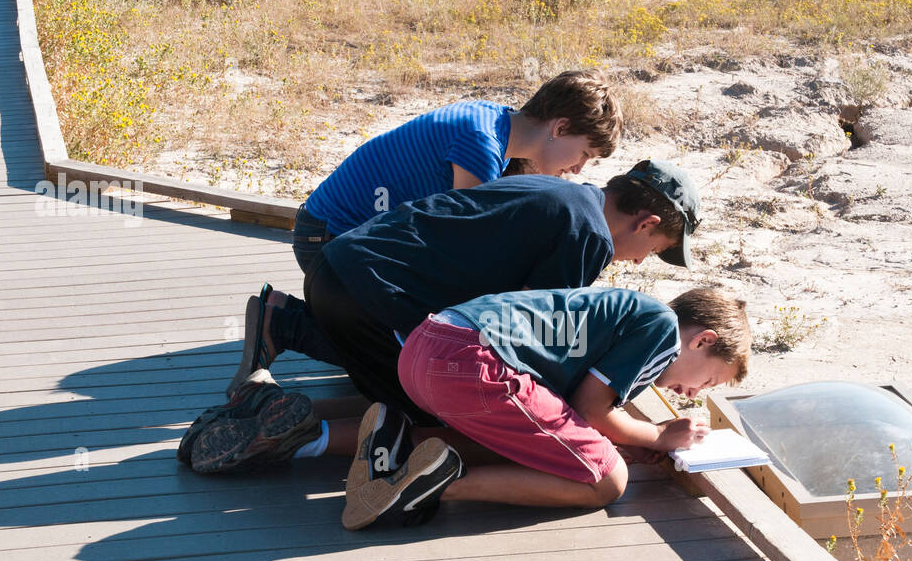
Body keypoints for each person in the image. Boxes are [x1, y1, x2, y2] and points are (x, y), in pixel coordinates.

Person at [182, 160, 704, 477]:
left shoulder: (563, 193)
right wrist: (610, 430)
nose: (638, 261)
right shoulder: (586, 238)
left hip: (341, 268)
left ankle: (266, 394)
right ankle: (294, 438)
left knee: (408, 381)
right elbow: (531, 340)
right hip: (374, 293)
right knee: (447, 411)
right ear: (646, 221)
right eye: (653, 249)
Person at [227, 70, 622, 396]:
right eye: (584, 153)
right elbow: (468, 250)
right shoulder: (481, 148)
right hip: (329, 239)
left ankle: (294, 318)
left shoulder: (492, 119)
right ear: (561, 126)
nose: (579, 170)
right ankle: (282, 322)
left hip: (329, 231)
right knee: (419, 355)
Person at [340, 286, 752, 530]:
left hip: (426, 346)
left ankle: (399, 442)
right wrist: (659, 435)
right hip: (473, 364)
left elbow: (563, 416)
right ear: (703, 340)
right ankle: (425, 490)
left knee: (541, 446)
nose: (695, 394)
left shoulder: (628, 308)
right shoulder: (662, 330)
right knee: (607, 480)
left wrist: (610, 438)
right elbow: (591, 410)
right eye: (710, 380)